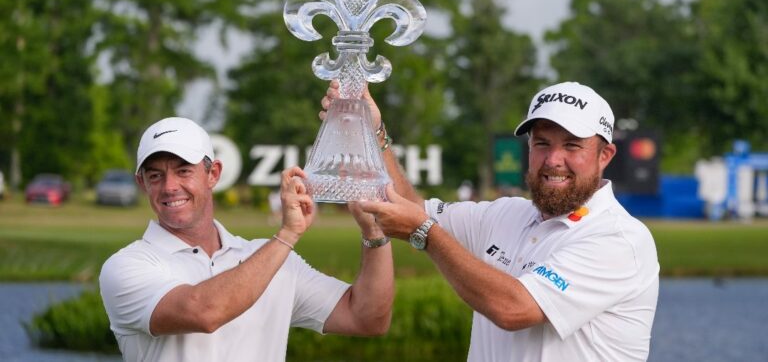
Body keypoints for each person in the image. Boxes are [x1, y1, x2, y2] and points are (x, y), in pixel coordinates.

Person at [322, 81, 659, 361]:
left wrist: (425, 233)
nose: (554, 160)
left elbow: (515, 309)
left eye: (572, 146)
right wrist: (372, 132)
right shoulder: (506, 214)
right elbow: (405, 207)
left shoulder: (619, 239)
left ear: (605, 156)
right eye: (542, 143)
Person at [99, 117, 394, 362]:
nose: (169, 186)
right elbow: (204, 311)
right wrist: (287, 235)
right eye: (155, 176)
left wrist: (375, 233)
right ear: (142, 183)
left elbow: (366, 318)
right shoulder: (126, 266)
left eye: (183, 171)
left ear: (212, 174)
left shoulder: (274, 260)